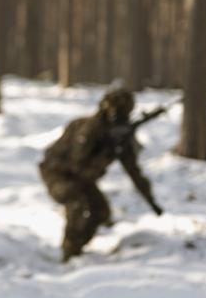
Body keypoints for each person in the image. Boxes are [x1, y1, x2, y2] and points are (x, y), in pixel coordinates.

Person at [39, 88, 163, 263]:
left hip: (83, 179)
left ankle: (78, 246)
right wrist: (106, 154)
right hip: (58, 174)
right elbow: (76, 163)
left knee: (101, 212)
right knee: (77, 203)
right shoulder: (88, 129)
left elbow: (134, 173)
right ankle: (69, 253)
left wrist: (152, 202)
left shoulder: (121, 137)